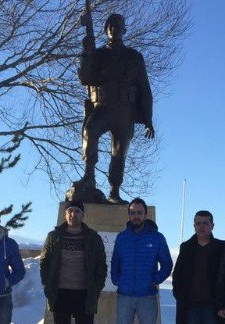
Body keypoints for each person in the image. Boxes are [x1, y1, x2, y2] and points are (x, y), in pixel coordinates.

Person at [75, 12, 155, 204]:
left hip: (124, 112)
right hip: (102, 107)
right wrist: (86, 53)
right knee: (89, 130)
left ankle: (114, 191)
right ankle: (89, 176)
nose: (114, 28)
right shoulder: (98, 54)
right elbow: (85, 78)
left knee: (119, 152)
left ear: (124, 30)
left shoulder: (134, 57)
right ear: (106, 30)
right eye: (111, 25)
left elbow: (144, 88)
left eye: (118, 25)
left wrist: (148, 119)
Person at [40, 200, 108, 324]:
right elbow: (44, 263)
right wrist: (48, 285)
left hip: (84, 294)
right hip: (60, 293)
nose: (73, 215)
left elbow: (101, 265)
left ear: (83, 215)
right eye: (70, 211)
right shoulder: (53, 236)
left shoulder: (93, 237)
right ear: (65, 214)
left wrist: (97, 287)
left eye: (77, 211)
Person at [110, 197, 172, 324]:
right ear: (129, 215)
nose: (136, 216)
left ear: (145, 214)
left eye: (139, 212)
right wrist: (116, 279)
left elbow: (167, 264)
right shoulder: (122, 237)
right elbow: (115, 262)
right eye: (132, 212)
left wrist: (157, 279)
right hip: (125, 296)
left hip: (147, 296)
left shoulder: (157, 238)